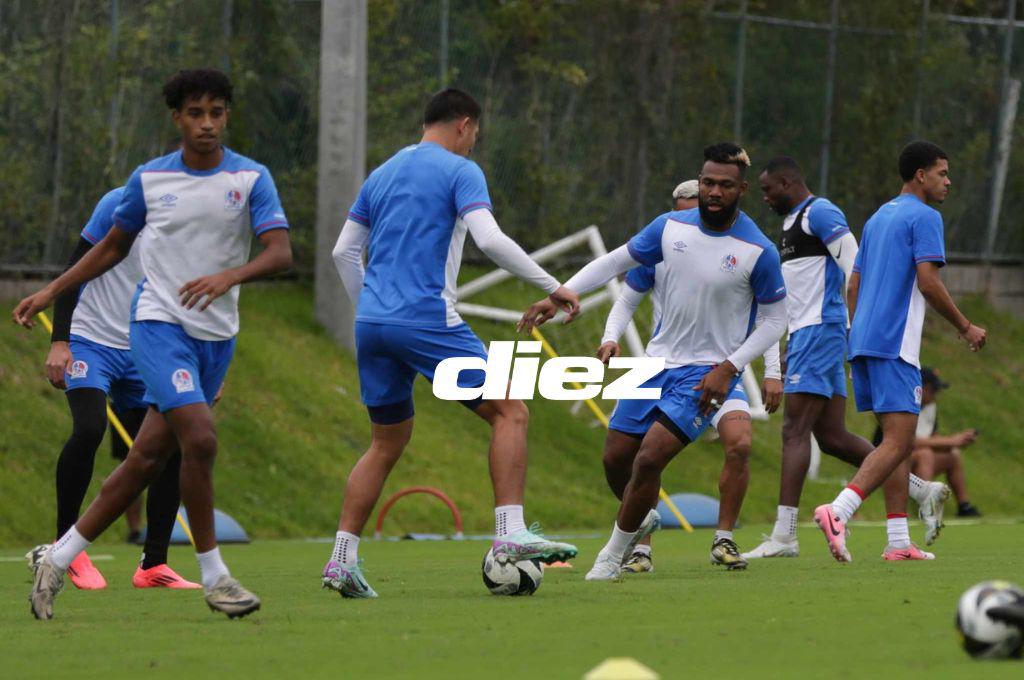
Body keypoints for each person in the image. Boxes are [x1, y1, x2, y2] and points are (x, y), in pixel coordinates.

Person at [15, 68, 293, 619]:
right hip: (157, 326)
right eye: (196, 113)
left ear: (227, 116)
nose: (207, 124)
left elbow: (280, 253)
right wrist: (51, 290)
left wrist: (227, 277)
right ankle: (217, 576)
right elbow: (110, 248)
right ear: (177, 118)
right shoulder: (149, 180)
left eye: (216, 112)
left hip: (215, 337)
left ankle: (59, 555)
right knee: (202, 438)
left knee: (145, 459)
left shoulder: (251, 178)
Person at [325, 88, 580, 598]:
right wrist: (551, 285)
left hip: (372, 323)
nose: (473, 145)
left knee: (386, 441)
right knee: (511, 410)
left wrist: (372, 309)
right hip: (425, 320)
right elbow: (489, 239)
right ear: (464, 125)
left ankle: (341, 561)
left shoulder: (382, 173)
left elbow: (343, 252)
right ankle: (510, 533)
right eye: (475, 135)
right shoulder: (461, 171)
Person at [521, 142, 788, 581]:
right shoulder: (668, 228)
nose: (714, 191)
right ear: (698, 184)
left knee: (649, 460)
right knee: (615, 459)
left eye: (724, 185)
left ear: (741, 189)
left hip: (705, 374)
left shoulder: (758, 249)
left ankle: (612, 556)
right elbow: (614, 263)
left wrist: (730, 366)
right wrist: (559, 294)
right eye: (707, 182)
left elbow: (776, 319)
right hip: (652, 366)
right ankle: (640, 518)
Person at [744, 157, 950, 562]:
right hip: (810, 332)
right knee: (833, 437)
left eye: (768, 189)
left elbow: (854, 264)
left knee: (793, 429)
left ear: (788, 181)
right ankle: (916, 489)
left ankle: (785, 534)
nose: (764, 198)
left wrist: (855, 327)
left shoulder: (819, 212)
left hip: (823, 328)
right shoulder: (790, 223)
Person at [813, 141, 986, 563]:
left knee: (897, 442)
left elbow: (852, 285)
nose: (948, 181)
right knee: (898, 441)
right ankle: (838, 511)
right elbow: (928, 282)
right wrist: (965, 326)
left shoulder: (877, 217)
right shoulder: (926, 217)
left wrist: (859, 336)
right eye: (942, 173)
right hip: (894, 345)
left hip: (865, 343)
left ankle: (897, 540)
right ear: (920, 175)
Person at [35, 185, 198, 590]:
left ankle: (153, 564)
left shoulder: (194, 221)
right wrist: (60, 340)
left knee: (172, 439)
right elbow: (73, 272)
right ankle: (65, 547)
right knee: (89, 429)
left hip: (144, 344)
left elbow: (187, 294)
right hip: (91, 340)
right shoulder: (119, 202)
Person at [598, 260, 783, 572]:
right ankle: (642, 546)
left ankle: (723, 540)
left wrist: (773, 370)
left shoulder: (738, 252)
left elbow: (770, 314)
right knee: (620, 458)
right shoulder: (661, 247)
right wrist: (609, 335)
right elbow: (627, 296)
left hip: (718, 373)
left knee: (740, 443)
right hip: (659, 370)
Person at [908, 368, 981, 517]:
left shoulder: (930, 407)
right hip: (897, 460)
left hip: (917, 458)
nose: (935, 395)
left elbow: (932, 438)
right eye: (932, 390)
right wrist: (951, 440)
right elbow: (909, 442)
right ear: (921, 389)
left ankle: (964, 506)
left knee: (953, 455)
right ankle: (927, 506)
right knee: (925, 454)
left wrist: (955, 442)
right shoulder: (904, 404)